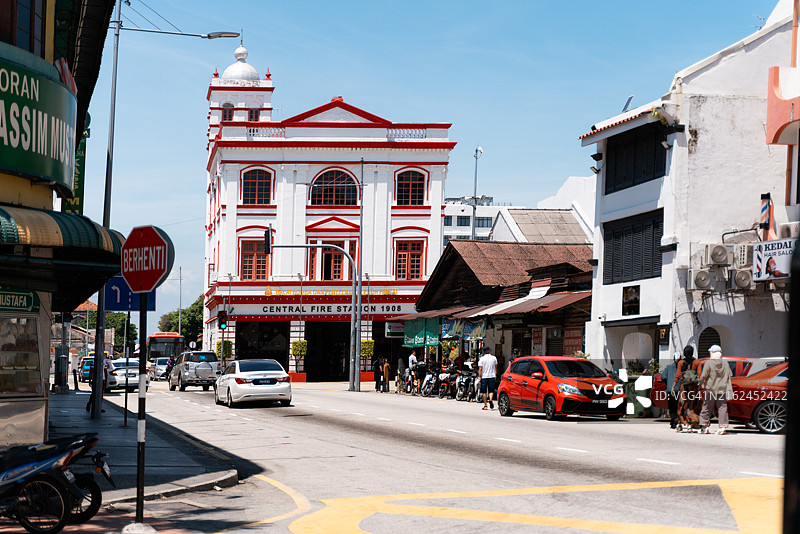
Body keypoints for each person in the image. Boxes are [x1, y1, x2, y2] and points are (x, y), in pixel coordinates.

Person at [698, 344, 733, 435]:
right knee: (722, 408)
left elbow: (704, 376)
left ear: (713, 353)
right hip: (722, 389)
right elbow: (729, 375)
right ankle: (722, 427)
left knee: (706, 407)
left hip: (710, 389)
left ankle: (704, 426)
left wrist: (700, 383)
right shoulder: (725, 363)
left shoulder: (709, 363)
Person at [675, 345, 703, 432]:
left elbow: (678, 376)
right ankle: (691, 423)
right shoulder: (697, 362)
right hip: (693, 388)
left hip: (684, 387)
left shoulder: (681, 363)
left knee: (682, 405)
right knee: (691, 405)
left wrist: (673, 387)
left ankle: (681, 423)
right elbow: (699, 375)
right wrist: (700, 386)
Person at [660, 353, 681, 428]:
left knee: (672, 406)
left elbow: (663, 377)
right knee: (678, 406)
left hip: (670, 390)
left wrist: (668, 383)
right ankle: (675, 420)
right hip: (679, 390)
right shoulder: (682, 368)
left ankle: (674, 419)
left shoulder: (668, 367)